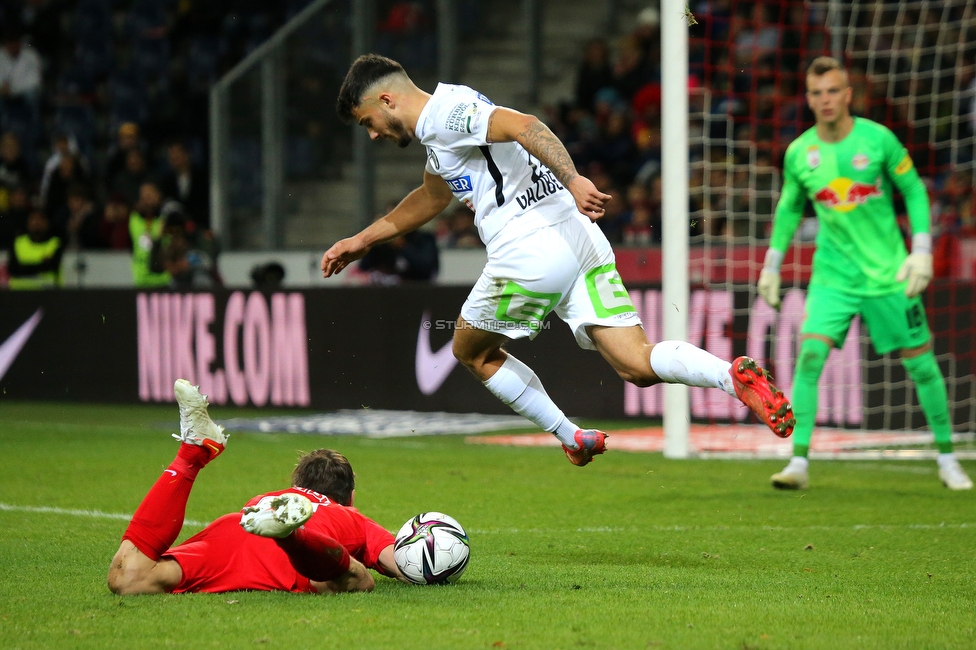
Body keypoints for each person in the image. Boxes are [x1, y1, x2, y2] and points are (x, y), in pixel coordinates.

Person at [322, 54, 795, 466]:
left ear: (386, 101)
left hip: (529, 248)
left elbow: (525, 125)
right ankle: (730, 378)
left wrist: (572, 178)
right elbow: (431, 197)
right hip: (579, 239)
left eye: (367, 122)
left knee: (470, 351)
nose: (371, 136)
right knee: (635, 364)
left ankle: (570, 436)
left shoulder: (446, 115)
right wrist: (363, 240)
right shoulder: (443, 125)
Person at [756, 56, 973, 491]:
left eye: (833, 91)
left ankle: (948, 459)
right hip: (833, 276)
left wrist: (923, 251)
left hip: (889, 274)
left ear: (848, 94)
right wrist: (772, 265)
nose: (826, 100)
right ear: (808, 98)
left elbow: (913, 189)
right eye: (817, 93)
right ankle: (798, 461)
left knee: (923, 366)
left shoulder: (878, 140)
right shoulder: (800, 152)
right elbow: (789, 209)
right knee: (811, 357)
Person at [108, 379, 407, 595]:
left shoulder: (270, 499)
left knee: (128, 578)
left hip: (240, 530)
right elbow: (402, 562)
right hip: (306, 562)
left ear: (293, 488)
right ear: (350, 498)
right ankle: (291, 535)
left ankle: (191, 456)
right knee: (360, 579)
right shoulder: (351, 517)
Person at [7, 206, 63, 289]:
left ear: (47, 223)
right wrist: (41, 266)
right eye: (33, 220)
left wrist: (23, 267)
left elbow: (52, 266)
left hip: (47, 294)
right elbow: (13, 269)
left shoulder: (55, 243)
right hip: (19, 294)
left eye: (39, 220)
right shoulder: (18, 242)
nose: (36, 223)